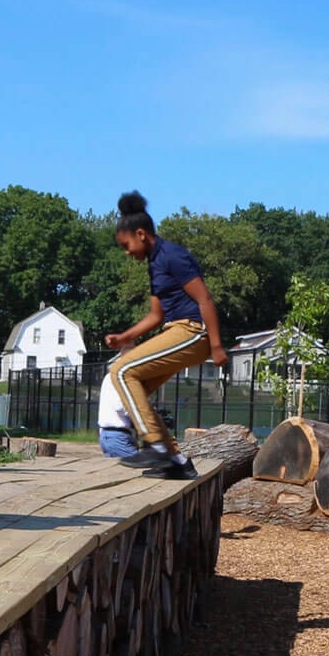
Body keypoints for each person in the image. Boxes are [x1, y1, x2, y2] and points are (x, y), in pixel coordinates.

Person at [105, 193, 228, 479]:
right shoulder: (155, 263)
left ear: (141, 234)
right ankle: (176, 460)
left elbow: (205, 299)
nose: (127, 252)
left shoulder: (172, 256)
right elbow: (155, 316)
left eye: (126, 246)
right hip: (175, 329)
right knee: (135, 389)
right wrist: (124, 337)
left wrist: (217, 345)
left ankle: (155, 445)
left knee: (121, 371)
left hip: (194, 331)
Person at [96, 360, 138, 459]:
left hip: (108, 434)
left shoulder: (108, 378)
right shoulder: (118, 379)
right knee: (142, 467)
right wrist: (141, 411)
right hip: (117, 436)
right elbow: (120, 406)